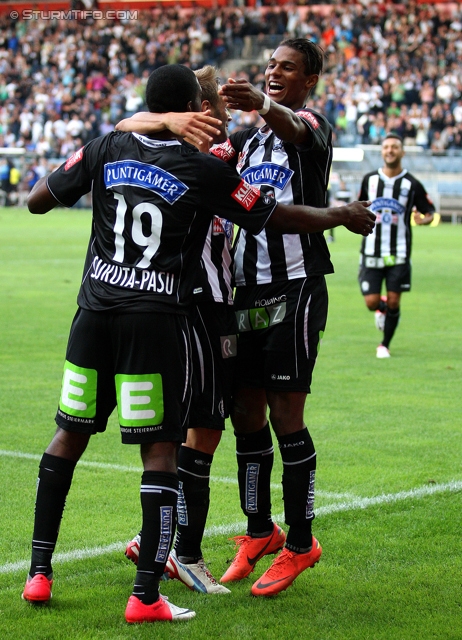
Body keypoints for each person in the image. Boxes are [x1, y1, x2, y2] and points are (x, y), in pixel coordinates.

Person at [21, 62, 375, 623]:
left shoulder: (109, 143)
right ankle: (152, 587)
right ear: (191, 111)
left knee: (74, 435)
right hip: (160, 320)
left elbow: (38, 200)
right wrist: (339, 215)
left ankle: (39, 573)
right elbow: (269, 213)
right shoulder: (201, 165)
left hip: (95, 316)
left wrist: (119, 136)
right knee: (168, 447)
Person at [210, 38, 350, 597]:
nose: (274, 72)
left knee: (285, 415)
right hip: (245, 293)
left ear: (308, 80)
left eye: (287, 67)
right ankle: (258, 531)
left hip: (296, 289)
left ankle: (301, 543)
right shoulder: (248, 141)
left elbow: (296, 129)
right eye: (270, 65)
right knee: (245, 411)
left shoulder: (311, 127)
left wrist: (263, 106)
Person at [120, 66, 235, 595]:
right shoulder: (207, 155)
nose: (226, 114)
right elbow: (125, 122)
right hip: (201, 304)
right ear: (201, 111)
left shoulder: (196, 146)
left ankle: (158, 542)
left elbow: (128, 122)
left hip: (206, 303)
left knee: (198, 430)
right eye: (217, 106)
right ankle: (184, 552)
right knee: (203, 430)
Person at [358, 132, 435, 358]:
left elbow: (429, 212)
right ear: (382, 152)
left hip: (399, 252)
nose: (390, 151)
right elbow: (359, 205)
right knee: (371, 302)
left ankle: (384, 345)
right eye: (386, 147)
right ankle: (382, 310)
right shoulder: (369, 180)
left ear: (402, 152)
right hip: (371, 251)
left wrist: (424, 219)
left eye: (394, 147)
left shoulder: (412, 184)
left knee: (394, 299)